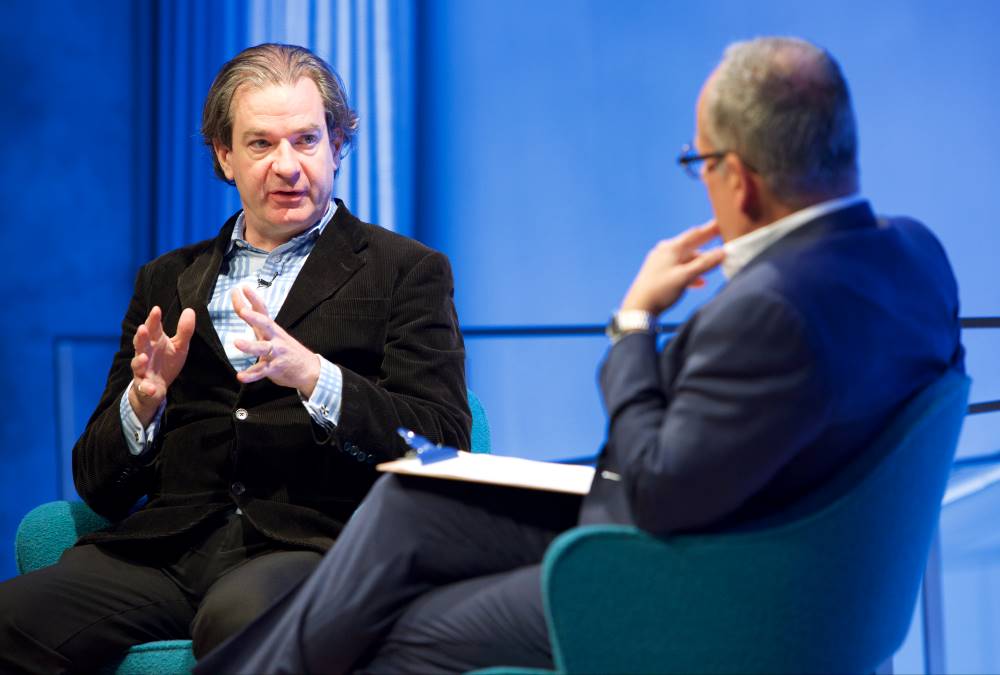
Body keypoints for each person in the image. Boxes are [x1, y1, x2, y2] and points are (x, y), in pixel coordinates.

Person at [196, 36, 965, 674]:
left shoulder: (769, 309)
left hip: (688, 582)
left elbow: (660, 493)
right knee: (413, 502)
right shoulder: (915, 256)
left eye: (701, 165)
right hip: (771, 547)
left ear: (740, 177)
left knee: (390, 628)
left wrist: (634, 324)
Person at [0, 43, 470, 673]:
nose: (287, 166)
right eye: (260, 144)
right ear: (224, 155)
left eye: (306, 140)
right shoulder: (167, 280)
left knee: (237, 617)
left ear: (337, 144)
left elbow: (444, 444)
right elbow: (97, 484)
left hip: (309, 547)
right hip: (168, 548)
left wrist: (314, 376)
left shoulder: (406, 271)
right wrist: (143, 405)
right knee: (12, 616)